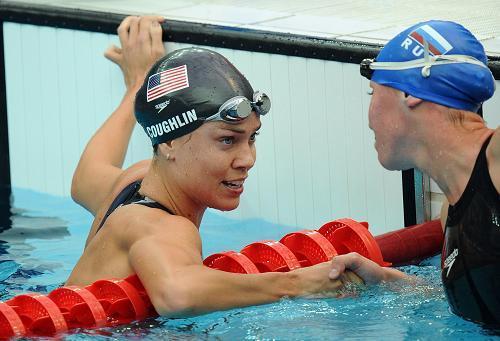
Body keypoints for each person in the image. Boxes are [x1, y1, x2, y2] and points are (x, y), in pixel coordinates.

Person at [67, 15, 360, 318]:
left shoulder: (134, 181)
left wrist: (137, 88)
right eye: (227, 140)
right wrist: (300, 283)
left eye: (251, 138)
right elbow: (178, 295)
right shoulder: (162, 227)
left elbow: (86, 176)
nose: (247, 159)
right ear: (169, 143)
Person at [329, 20, 500, 326]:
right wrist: (384, 279)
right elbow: (478, 304)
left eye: (372, 93)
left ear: (410, 91)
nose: (369, 119)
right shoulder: (454, 209)